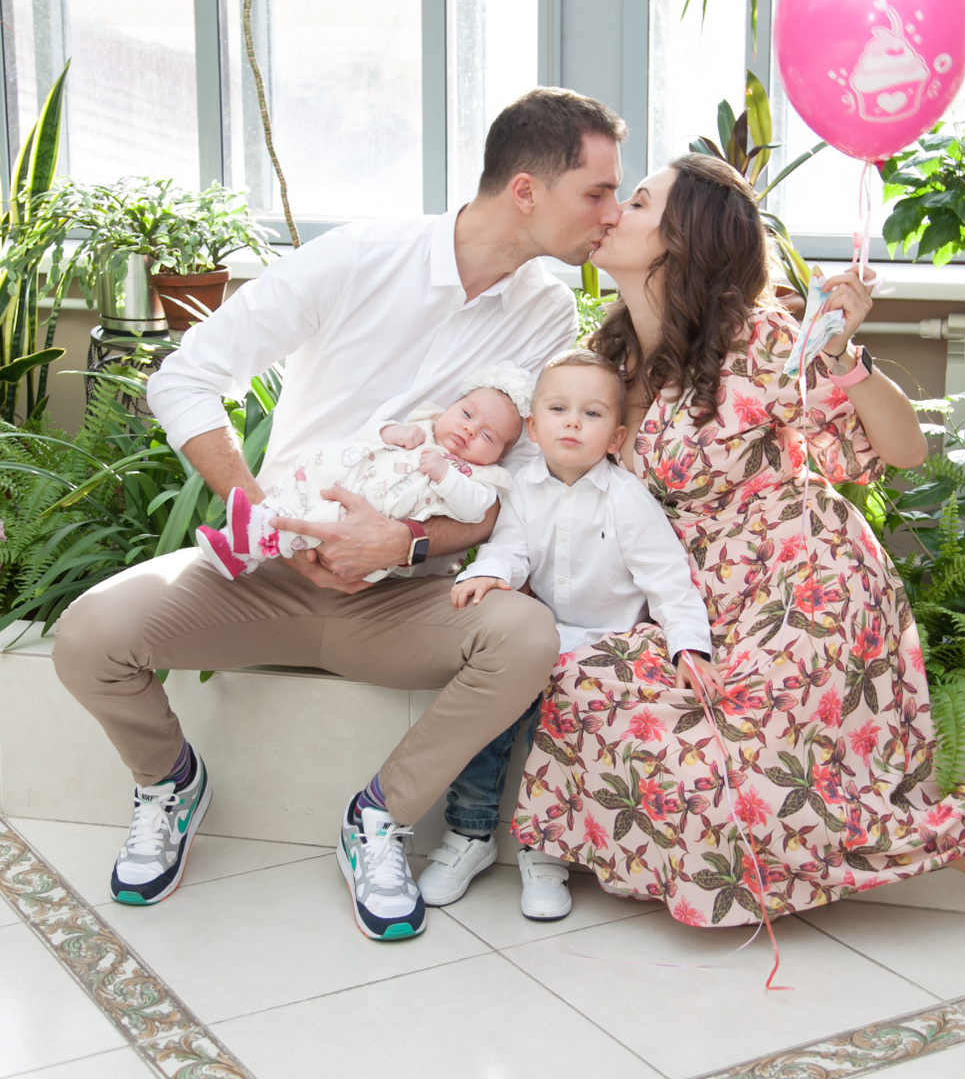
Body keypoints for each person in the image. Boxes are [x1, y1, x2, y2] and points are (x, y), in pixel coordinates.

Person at [50, 88, 625, 942]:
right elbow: (184, 377)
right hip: (263, 578)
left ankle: (379, 818)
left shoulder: (545, 313)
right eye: (598, 192)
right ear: (526, 191)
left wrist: (404, 541)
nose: (612, 213)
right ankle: (169, 782)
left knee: (526, 638)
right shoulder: (360, 257)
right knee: (88, 637)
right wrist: (262, 517)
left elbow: (520, 489)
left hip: (405, 600)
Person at [440, 153, 965, 938]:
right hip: (689, 594)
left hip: (802, 584)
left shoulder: (759, 340)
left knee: (773, 779)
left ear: (683, 239)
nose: (611, 212)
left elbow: (901, 452)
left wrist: (843, 353)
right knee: (588, 683)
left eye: (637, 202)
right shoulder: (612, 358)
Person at [435, 349, 714, 920]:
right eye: (559, 409)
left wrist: (689, 646)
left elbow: (668, 580)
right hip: (546, 633)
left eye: (592, 414)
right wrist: (488, 573)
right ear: (534, 428)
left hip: (610, 644)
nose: (572, 423)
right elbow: (510, 548)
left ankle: (547, 848)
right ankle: (469, 830)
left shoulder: (626, 498)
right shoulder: (522, 488)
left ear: (615, 437)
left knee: (566, 709)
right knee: (491, 695)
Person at [195, 363, 533, 583]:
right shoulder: (422, 427)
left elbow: (474, 511)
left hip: (372, 525)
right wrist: (391, 432)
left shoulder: (481, 478)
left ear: (499, 457)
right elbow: (369, 437)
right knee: (304, 487)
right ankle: (240, 543)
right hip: (346, 485)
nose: (470, 430)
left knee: (320, 523)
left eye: (487, 435)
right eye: (467, 414)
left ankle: (250, 542)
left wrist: (446, 475)